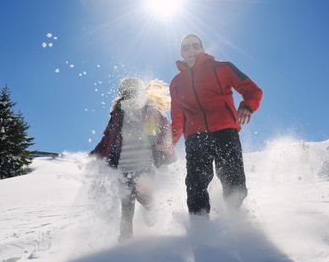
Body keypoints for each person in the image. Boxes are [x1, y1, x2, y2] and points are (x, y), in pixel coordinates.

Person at [169, 34, 263, 216]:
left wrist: (247, 106)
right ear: (181, 52)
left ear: (202, 49)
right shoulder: (176, 83)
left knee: (234, 183)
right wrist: (170, 141)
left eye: (195, 46)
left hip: (225, 132)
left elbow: (253, 90)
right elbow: (178, 116)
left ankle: (235, 220)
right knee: (196, 185)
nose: (191, 50)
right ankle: (200, 230)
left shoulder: (222, 68)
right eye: (186, 47)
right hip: (196, 139)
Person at [91, 77, 175, 240]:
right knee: (127, 205)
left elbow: (164, 128)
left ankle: (150, 206)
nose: (130, 95)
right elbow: (107, 138)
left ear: (140, 92)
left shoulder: (149, 110)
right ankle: (125, 240)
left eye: (133, 92)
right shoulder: (117, 114)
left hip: (144, 164)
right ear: (122, 94)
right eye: (126, 92)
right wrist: (96, 154)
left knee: (142, 194)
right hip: (123, 166)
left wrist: (163, 148)